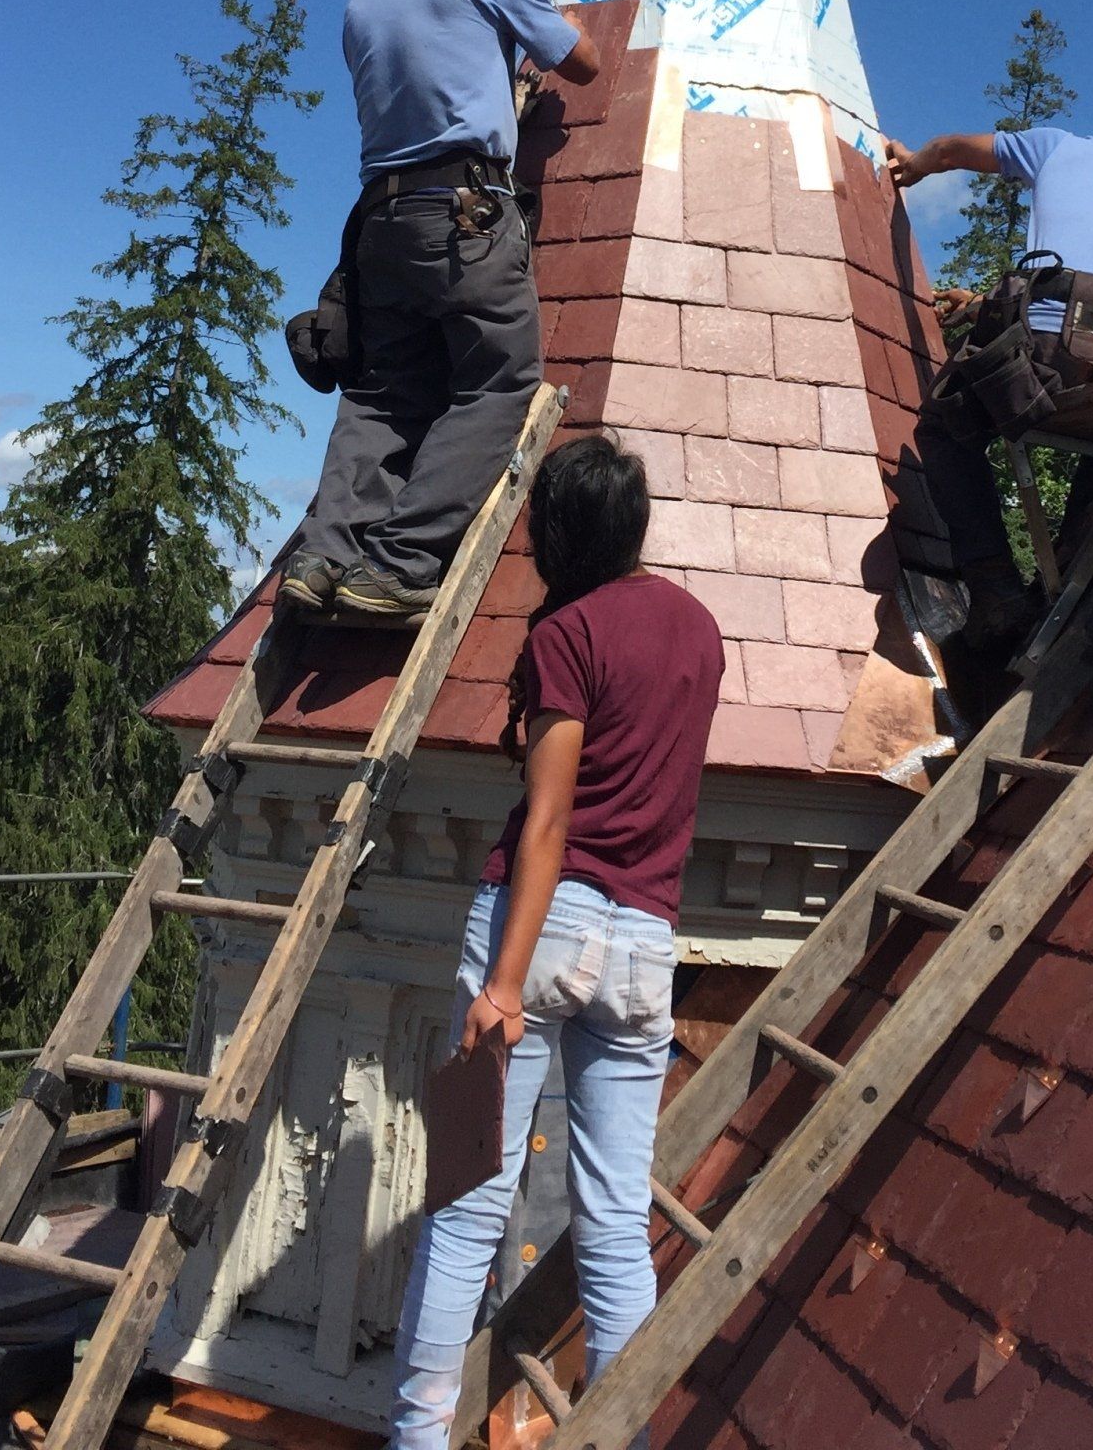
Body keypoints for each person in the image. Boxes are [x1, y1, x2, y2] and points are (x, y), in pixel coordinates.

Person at [389, 433, 725, 1450]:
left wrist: (500, 984)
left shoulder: (566, 636)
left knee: (462, 1212)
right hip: (643, 943)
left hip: (537, 931)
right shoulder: (699, 629)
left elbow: (547, 820)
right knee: (618, 1223)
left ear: (558, 533)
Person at [283, 0, 602, 624]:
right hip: (463, 213)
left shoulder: (361, 3)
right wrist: (546, 13)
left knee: (383, 392)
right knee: (497, 380)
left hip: (381, 223)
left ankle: (324, 556)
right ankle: (398, 566)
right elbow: (582, 65)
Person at [884, 123, 1093, 646]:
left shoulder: (1067, 146)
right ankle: (1067, 583)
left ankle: (996, 588)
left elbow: (954, 150)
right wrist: (983, 304)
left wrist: (912, 164)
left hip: (1052, 351)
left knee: (945, 426)